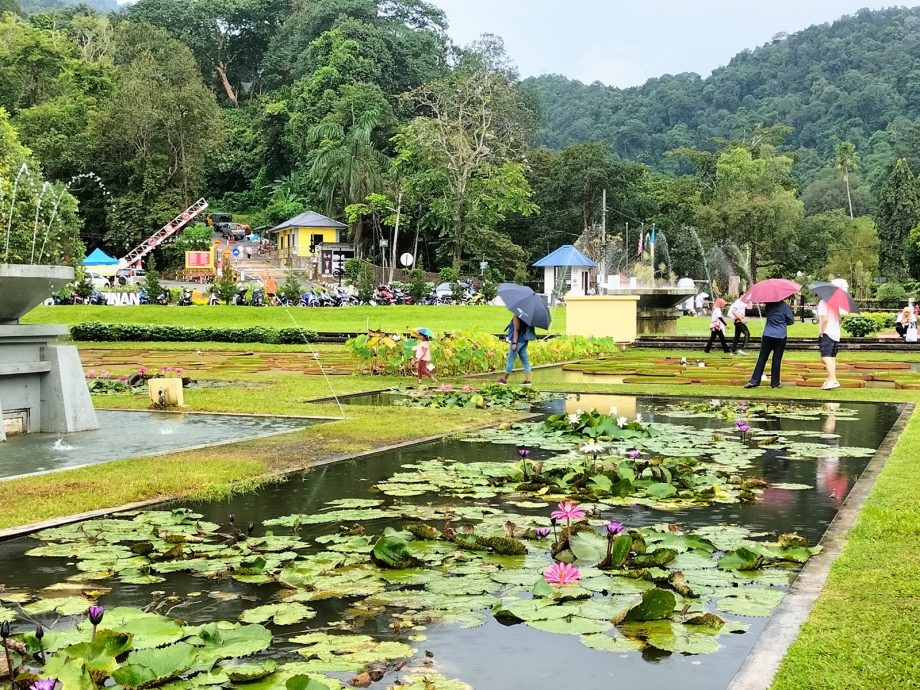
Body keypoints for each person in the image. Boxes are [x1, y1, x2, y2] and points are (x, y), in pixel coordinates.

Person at [745, 297, 796, 389]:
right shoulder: (785, 307)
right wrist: (783, 322)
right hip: (780, 335)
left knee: (762, 358)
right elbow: (791, 321)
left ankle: (754, 381)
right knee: (776, 359)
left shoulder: (769, 306)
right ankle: (775, 383)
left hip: (768, 334)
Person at [817, 278, 847, 390]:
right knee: (832, 357)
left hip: (827, 332)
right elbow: (839, 318)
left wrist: (821, 330)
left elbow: (824, 319)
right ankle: (830, 379)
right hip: (835, 332)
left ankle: (833, 380)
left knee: (826, 357)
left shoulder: (823, 303)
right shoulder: (835, 304)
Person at [498, 315, 536, 385]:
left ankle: (504, 380)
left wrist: (514, 343)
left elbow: (516, 329)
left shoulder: (517, 315)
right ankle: (528, 380)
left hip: (517, 340)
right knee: (525, 360)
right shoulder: (527, 315)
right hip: (524, 340)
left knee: (510, 359)